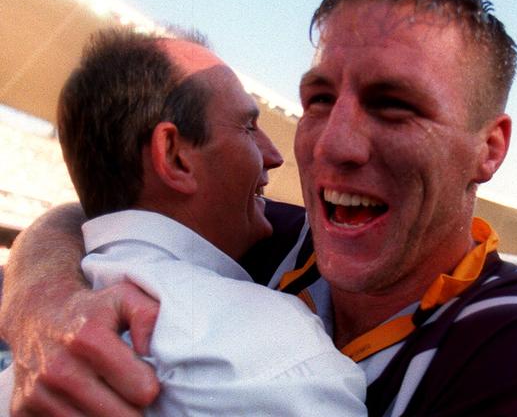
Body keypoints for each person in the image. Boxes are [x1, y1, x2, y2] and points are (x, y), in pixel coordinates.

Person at [0, 0, 517, 416]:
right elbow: (111, 210)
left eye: (394, 105)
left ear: (490, 148)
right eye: (319, 98)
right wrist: (43, 296)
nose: (330, 144)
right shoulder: (275, 241)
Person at [0, 28, 366, 416]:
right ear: (174, 156)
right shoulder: (273, 351)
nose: (274, 155)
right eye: (247, 127)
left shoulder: (29, 368)